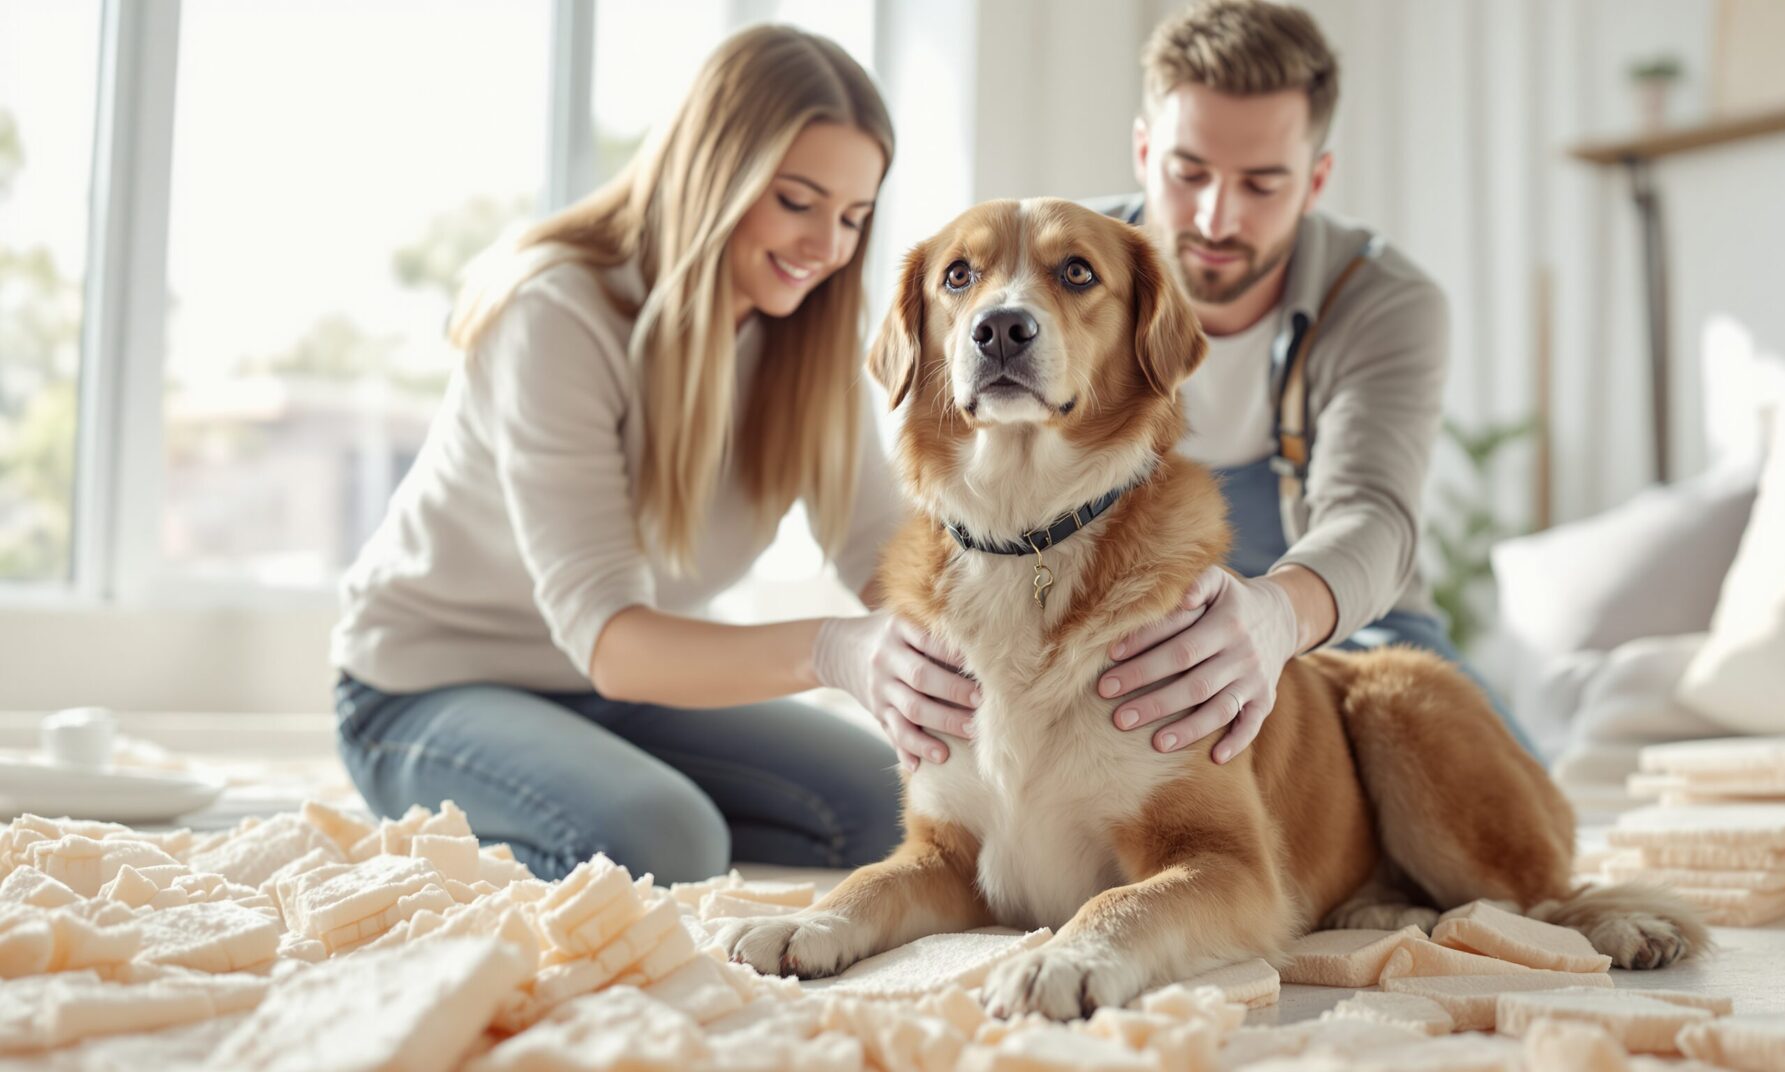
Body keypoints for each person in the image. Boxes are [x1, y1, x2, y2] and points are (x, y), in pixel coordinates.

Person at [330, 25, 982, 884]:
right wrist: (835, 652)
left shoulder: (809, 329)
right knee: (663, 840)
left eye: (854, 218)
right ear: (714, 174)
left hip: (627, 695)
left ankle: (599, 793)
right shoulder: (557, 311)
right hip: (428, 685)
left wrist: (1004, 644)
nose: (828, 247)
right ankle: (542, 809)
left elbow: (880, 551)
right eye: (797, 202)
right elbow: (610, 639)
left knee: (890, 801)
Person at [1086, 0, 1538, 763]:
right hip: (1118, 628)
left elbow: (1373, 515)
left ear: (1315, 180)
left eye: (1262, 184)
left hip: (1344, 626)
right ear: (1142, 150)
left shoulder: (1384, 299)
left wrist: (1272, 617)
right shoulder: (1063, 269)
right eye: (1188, 173)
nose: (1216, 219)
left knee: (1517, 794)